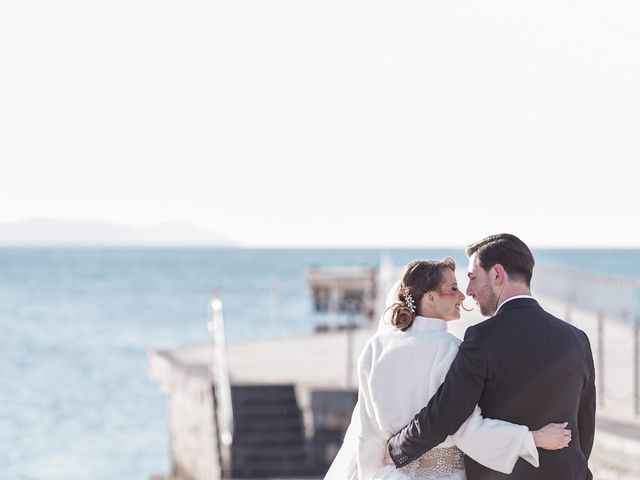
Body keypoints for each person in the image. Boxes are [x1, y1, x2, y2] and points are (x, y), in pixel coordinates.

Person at [324, 256, 571, 480]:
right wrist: (533, 438)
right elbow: (467, 431)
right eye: (453, 289)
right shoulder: (452, 351)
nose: (462, 296)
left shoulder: (375, 348)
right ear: (430, 298)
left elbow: (368, 435)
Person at [386, 234, 596, 480]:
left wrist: (396, 448)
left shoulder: (482, 338)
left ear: (497, 275)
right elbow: (585, 425)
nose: (469, 291)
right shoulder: (577, 339)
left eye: (473, 278)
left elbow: (446, 414)